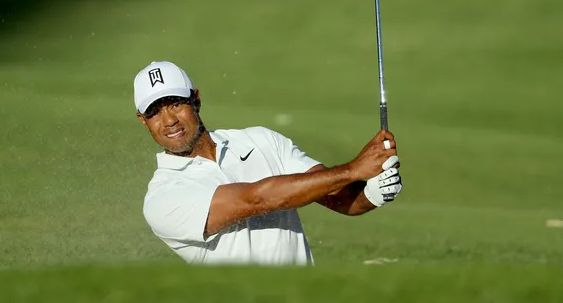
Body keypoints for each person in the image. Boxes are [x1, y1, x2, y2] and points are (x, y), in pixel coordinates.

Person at [135, 61, 403, 265]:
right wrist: (354, 169)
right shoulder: (162, 197)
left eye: (175, 104)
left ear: (196, 99)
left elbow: (337, 196)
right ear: (143, 120)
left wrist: (373, 191)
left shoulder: (261, 140)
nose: (169, 120)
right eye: (154, 112)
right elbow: (255, 200)